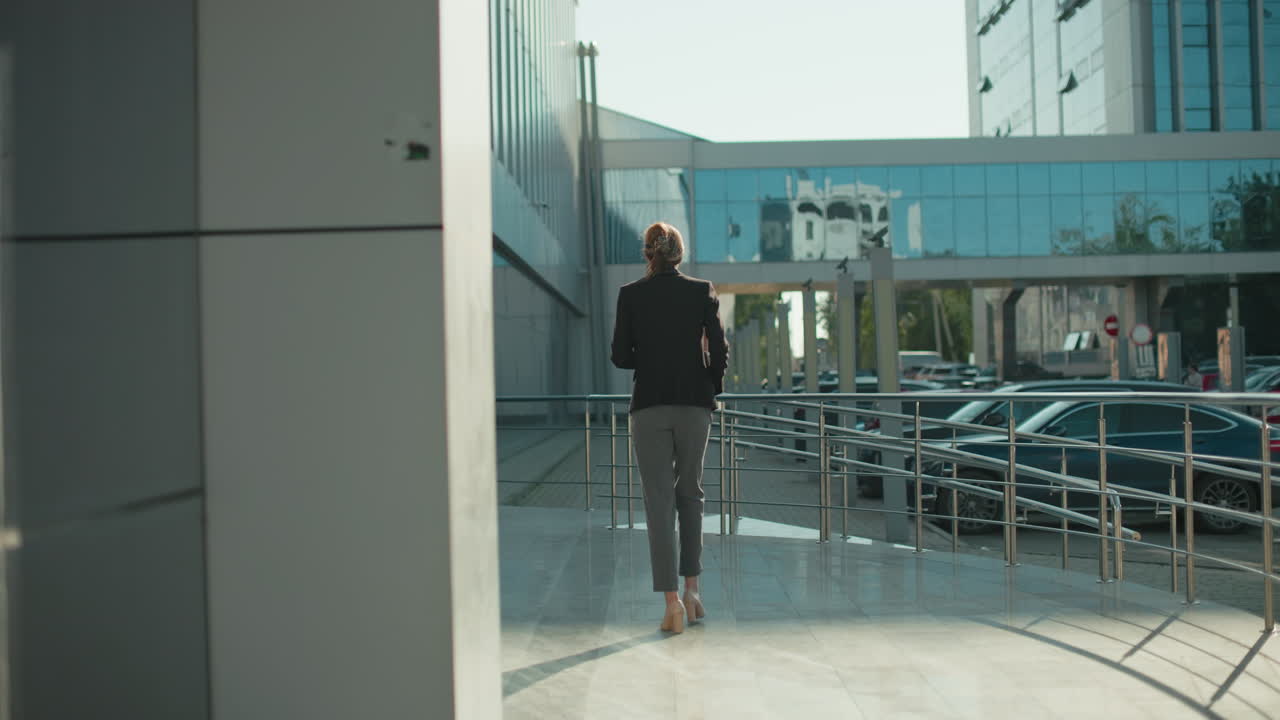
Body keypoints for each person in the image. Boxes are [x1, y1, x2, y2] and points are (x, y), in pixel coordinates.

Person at [611, 221, 728, 634]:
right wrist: (711, 385)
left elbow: (620, 356)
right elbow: (719, 348)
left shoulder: (630, 295)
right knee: (690, 494)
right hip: (695, 404)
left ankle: (671, 603)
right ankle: (694, 589)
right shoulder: (701, 290)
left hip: (649, 406)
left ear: (648, 254)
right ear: (679, 253)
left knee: (658, 502)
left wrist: (650, 353)